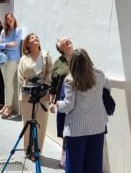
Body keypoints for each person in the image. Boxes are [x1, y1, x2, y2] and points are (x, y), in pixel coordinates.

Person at [49, 48, 110, 173]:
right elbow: (107, 90)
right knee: (93, 167)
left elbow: (68, 106)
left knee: (74, 167)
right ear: (88, 60)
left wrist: (56, 104)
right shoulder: (100, 74)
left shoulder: (70, 80)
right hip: (97, 126)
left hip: (76, 130)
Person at [18, 33, 53, 160]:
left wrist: (45, 87)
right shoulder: (24, 59)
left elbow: (51, 73)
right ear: (27, 43)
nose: (35, 38)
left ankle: (37, 150)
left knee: (41, 124)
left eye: (36, 37)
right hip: (28, 95)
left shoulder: (46, 55)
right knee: (27, 123)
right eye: (32, 38)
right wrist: (25, 89)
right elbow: (20, 78)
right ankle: (28, 150)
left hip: (42, 94)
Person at [50, 36, 74, 168]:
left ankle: (72, 157)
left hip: (79, 101)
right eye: (64, 40)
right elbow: (53, 84)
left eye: (68, 39)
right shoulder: (58, 62)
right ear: (60, 47)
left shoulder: (79, 57)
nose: (67, 40)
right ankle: (65, 157)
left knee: (75, 129)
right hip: (63, 100)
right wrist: (51, 102)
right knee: (66, 130)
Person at [0, 13, 23, 118]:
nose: (10, 19)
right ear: (6, 21)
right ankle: (6, 105)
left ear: (14, 19)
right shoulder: (4, 31)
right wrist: (8, 44)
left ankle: (9, 107)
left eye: (11, 17)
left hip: (12, 59)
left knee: (8, 82)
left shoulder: (18, 31)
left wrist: (4, 45)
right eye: (7, 18)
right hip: (3, 59)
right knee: (6, 83)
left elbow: (15, 46)